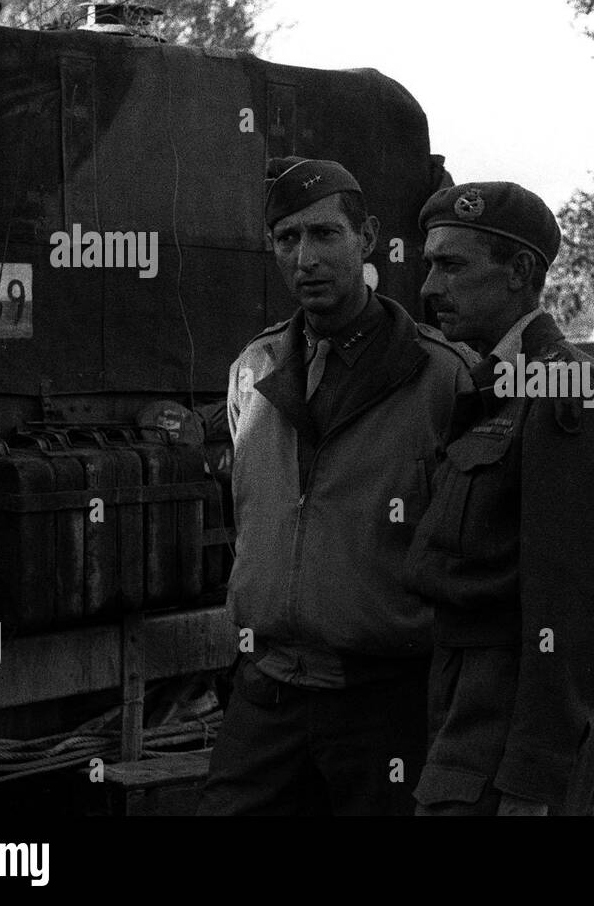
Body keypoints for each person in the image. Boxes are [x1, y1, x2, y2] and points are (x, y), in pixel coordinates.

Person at [197, 157, 475, 815]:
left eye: (325, 234)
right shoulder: (253, 369)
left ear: (368, 238)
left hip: (382, 699)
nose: (306, 258)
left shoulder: (441, 378)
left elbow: (478, 546)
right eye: (287, 239)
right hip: (266, 693)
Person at [406, 181, 594, 816]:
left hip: (506, 727)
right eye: (430, 265)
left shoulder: (566, 395)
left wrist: (534, 779)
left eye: (451, 266)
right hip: (467, 705)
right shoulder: (496, 386)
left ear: (519, 272)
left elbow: (580, 604)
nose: (430, 288)